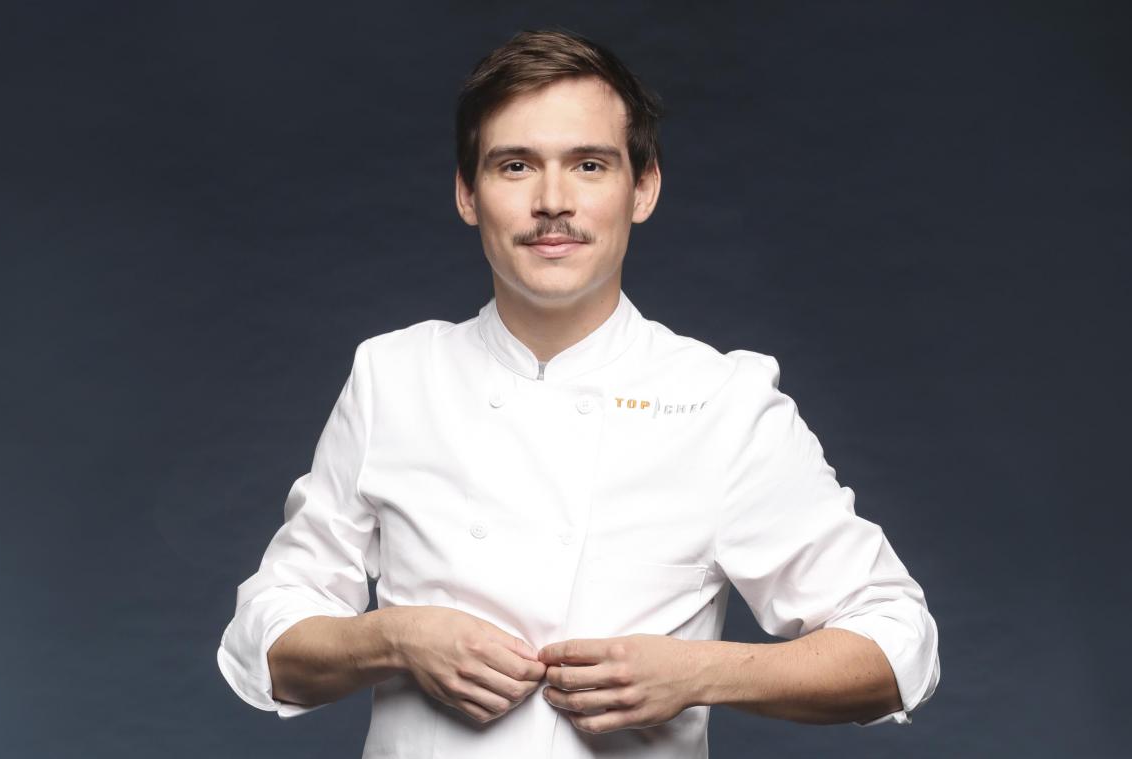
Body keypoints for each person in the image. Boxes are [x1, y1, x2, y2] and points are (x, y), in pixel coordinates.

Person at [217, 27, 940, 758]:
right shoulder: (393, 377)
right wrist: (393, 638)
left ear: (643, 188)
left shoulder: (724, 403)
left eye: (589, 165)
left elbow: (897, 643)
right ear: (468, 193)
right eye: (515, 166)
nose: (552, 201)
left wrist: (701, 672)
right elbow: (263, 639)